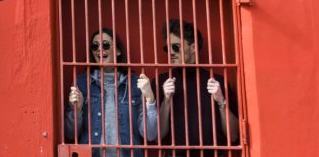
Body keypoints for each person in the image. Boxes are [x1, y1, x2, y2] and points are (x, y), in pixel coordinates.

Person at [65, 27, 160, 157]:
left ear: (118, 51)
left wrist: (150, 99)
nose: (99, 49)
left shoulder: (135, 85)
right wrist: (77, 109)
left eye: (105, 45)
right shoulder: (82, 84)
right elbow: (71, 134)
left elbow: (150, 134)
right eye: (94, 46)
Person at [156, 20, 241, 156]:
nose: (171, 53)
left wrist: (221, 102)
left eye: (176, 47)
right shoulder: (162, 81)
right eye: (168, 48)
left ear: (193, 47)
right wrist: (166, 101)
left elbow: (234, 136)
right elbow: (158, 135)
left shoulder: (216, 81)